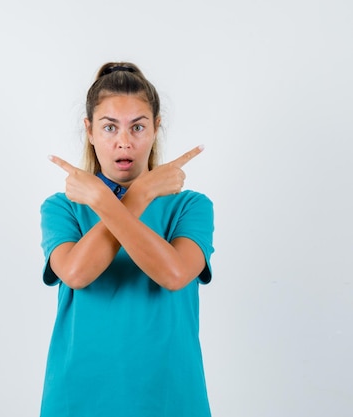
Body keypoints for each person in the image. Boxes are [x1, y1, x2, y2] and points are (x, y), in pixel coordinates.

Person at [39, 61, 215, 417]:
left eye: (138, 126)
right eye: (109, 127)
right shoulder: (62, 208)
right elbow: (76, 273)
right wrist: (133, 195)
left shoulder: (191, 206)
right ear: (89, 130)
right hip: (80, 395)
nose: (124, 141)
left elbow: (175, 275)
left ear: (155, 129)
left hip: (169, 395)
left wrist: (115, 199)